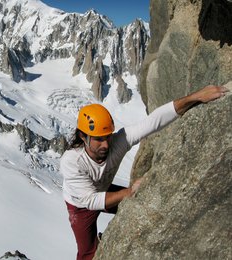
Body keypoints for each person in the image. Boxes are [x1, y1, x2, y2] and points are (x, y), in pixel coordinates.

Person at [60, 85, 228, 260]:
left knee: (143, 204)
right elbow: (91, 200)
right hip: (80, 206)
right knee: (88, 253)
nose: (106, 145)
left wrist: (196, 97)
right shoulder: (72, 162)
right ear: (82, 136)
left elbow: (154, 122)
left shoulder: (118, 141)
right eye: (99, 139)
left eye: (108, 136)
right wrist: (129, 192)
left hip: (102, 189)